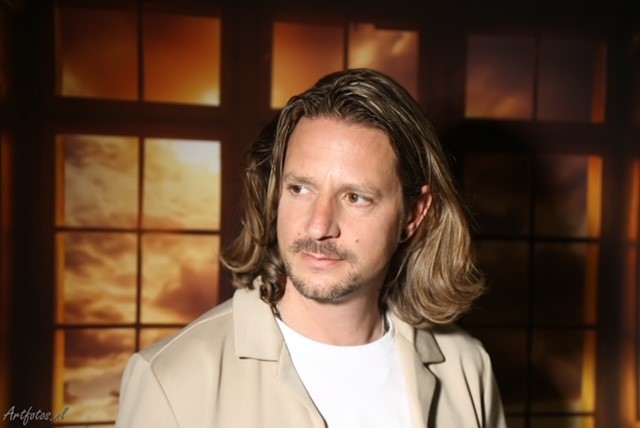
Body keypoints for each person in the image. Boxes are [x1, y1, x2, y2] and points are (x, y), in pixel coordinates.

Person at [116, 68, 506, 427]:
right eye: (300, 189)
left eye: (355, 197)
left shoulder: (466, 367)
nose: (318, 226)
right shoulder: (171, 380)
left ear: (413, 215)